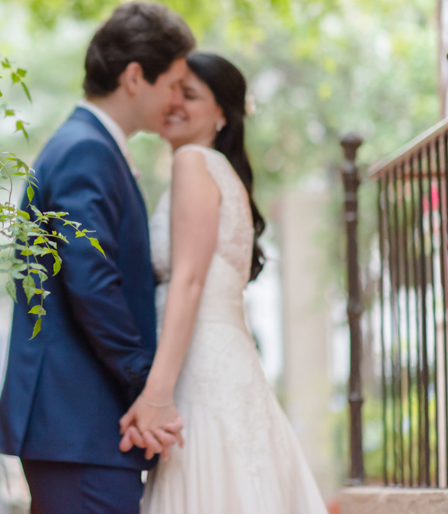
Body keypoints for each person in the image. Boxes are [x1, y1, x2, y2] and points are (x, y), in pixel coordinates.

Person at [0, 0, 195, 514]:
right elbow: (89, 277)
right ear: (134, 76)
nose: (176, 99)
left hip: (78, 425)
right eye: (172, 83)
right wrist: (144, 382)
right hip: (79, 419)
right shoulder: (87, 150)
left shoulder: (88, 145)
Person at [118, 52, 329, 513]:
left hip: (196, 366)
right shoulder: (221, 171)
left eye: (189, 95)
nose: (173, 103)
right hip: (226, 363)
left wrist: (157, 392)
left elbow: (189, 281)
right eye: (172, 91)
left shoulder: (193, 162)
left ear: (222, 113)